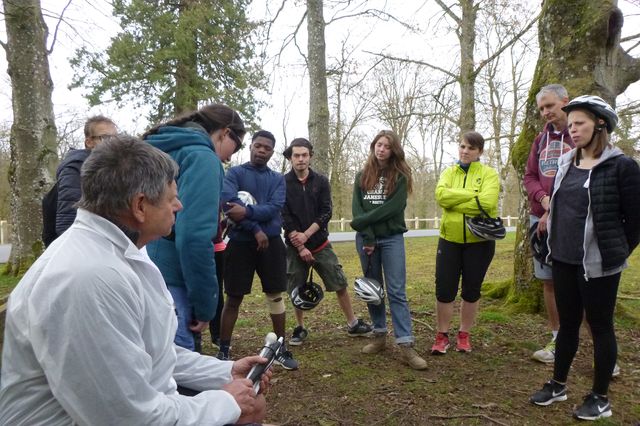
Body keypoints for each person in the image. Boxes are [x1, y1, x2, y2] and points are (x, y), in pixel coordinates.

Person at [0, 136, 271, 425]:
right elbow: (127, 417)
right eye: (171, 198)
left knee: (253, 406)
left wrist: (224, 372)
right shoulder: (89, 278)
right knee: (249, 410)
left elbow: (149, 351)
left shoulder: (118, 251)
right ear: (140, 206)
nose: (178, 206)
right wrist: (225, 402)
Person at [529, 96, 640, 421]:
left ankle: (600, 397)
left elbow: (635, 221)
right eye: (572, 124)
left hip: (599, 265)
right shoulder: (566, 162)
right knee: (567, 326)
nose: (573, 129)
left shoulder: (623, 166)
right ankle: (558, 384)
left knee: (601, 326)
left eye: (580, 124)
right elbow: (562, 206)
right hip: (562, 259)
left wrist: (614, 252)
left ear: (600, 124)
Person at [143, 104, 245, 352]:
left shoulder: (160, 149)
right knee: (179, 371)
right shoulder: (202, 158)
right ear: (224, 132)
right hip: (173, 279)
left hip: (143, 272)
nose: (231, 157)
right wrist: (205, 304)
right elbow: (194, 238)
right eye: (237, 145)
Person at [218, 130, 299, 370]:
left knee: (275, 295)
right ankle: (223, 351)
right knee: (233, 297)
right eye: (258, 145)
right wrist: (255, 229)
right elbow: (229, 204)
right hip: (240, 243)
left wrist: (249, 214)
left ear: (272, 152)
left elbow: (274, 207)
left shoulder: (277, 178)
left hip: (272, 244)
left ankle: (280, 349)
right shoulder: (234, 173)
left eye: (267, 148)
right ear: (251, 146)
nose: (262, 150)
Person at [281, 138, 372, 345]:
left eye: (304, 155)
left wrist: (307, 235)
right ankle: (300, 328)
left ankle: (353, 323)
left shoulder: (321, 181)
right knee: (296, 287)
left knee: (339, 282)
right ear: (290, 157)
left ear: (310, 156)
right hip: (295, 248)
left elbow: (326, 212)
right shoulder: (282, 183)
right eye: (296, 155)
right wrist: (300, 244)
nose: (301, 159)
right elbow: (284, 216)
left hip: (321, 244)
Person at [350, 130, 427, 370]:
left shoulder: (400, 175)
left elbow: (393, 208)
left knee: (396, 291)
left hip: (392, 238)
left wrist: (364, 222)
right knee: (374, 290)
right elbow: (357, 209)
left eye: (386, 146)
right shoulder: (362, 175)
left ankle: (405, 345)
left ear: (394, 150)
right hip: (366, 240)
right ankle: (379, 336)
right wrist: (368, 235)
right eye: (378, 144)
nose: (381, 149)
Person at [431, 131, 499, 355]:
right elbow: (441, 197)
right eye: (462, 146)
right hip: (449, 239)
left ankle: (464, 334)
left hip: (479, 242)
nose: (465, 151)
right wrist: (472, 196)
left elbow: (487, 203)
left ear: (479, 151)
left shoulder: (489, 174)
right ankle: (442, 336)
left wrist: (455, 199)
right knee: (444, 289)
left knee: (471, 290)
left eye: (471, 148)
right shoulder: (448, 172)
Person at [524, 84, 573, 364]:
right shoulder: (540, 140)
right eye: (542, 108)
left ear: (565, 102)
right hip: (540, 217)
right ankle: (557, 341)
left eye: (550, 106)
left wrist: (554, 208)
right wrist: (543, 201)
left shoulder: (580, 135)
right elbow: (530, 175)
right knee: (548, 282)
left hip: (571, 218)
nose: (546, 112)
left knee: (581, 281)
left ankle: (601, 352)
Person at [55, 115, 117, 237]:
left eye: (116, 138)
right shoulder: (75, 169)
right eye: (105, 138)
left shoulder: (112, 169)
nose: (113, 143)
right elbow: (67, 220)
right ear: (89, 142)